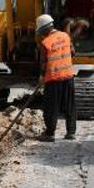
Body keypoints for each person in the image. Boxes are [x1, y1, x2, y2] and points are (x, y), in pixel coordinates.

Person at [35, 14, 76, 142]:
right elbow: (73, 52)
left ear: (43, 29)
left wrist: (41, 77)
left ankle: (50, 133)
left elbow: (43, 62)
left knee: (51, 107)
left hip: (53, 79)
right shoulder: (66, 36)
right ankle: (71, 133)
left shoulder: (45, 42)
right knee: (70, 106)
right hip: (68, 76)